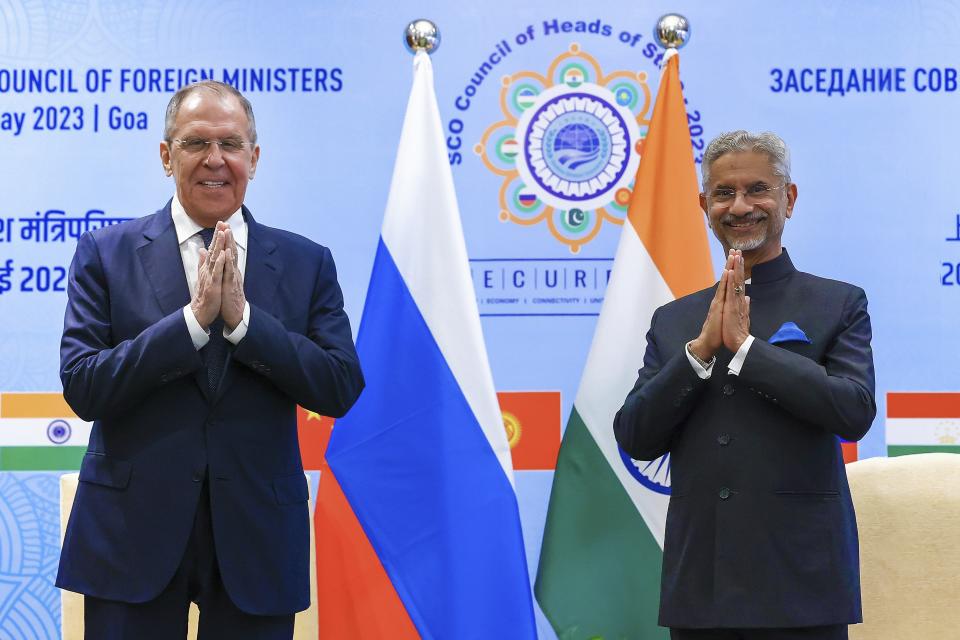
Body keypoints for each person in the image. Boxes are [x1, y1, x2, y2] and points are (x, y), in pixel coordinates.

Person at [57, 80, 364, 639]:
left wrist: (245, 324)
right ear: (166, 155)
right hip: (131, 538)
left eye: (231, 143)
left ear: (255, 157)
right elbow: (83, 386)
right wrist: (190, 326)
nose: (215, 160)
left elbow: (339, 385)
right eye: (196, 143)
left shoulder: (305, 262)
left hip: (257, 539)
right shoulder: (105, 254)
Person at [614, 131, 875, 640]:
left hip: (802, 583)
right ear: (704, 204)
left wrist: (749, 350)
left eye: (758, 189)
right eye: (723, 193)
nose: (740, 206)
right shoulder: (675, 320)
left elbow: (854, 410)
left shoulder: (837, 303)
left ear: (788, 199)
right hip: (701, 585)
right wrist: (701, 351)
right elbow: (636, 436)